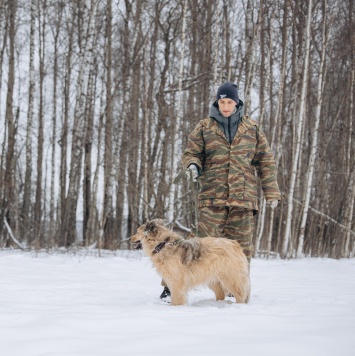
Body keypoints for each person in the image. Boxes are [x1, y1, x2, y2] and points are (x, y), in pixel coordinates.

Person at [160, 82, 281, 301]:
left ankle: (239, 290)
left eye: (229, 102)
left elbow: (265, 161)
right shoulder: (205, 127)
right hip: (211, 197)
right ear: (217, 102)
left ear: (237, 103)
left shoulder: (251, 128)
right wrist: (192, 165)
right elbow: (191, 153)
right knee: (198, 245)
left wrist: (271, 191)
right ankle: (171, 286)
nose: (225, 106)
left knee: (240, 249)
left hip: (243, 199)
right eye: (222, 101)